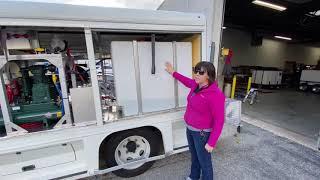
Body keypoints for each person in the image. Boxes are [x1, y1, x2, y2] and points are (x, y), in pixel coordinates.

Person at [165, 61, 225, 180]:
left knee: (204, 161)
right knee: (194, 156)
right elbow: (185, 80)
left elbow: (219, 120)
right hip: (190, 129)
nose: (196, 74)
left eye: (201, 72)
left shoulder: (215, 94)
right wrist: (173, 72)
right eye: (195, 71)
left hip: (202, 134)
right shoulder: (196, 85)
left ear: (209, 75)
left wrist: (211, 142)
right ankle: (194, 176)